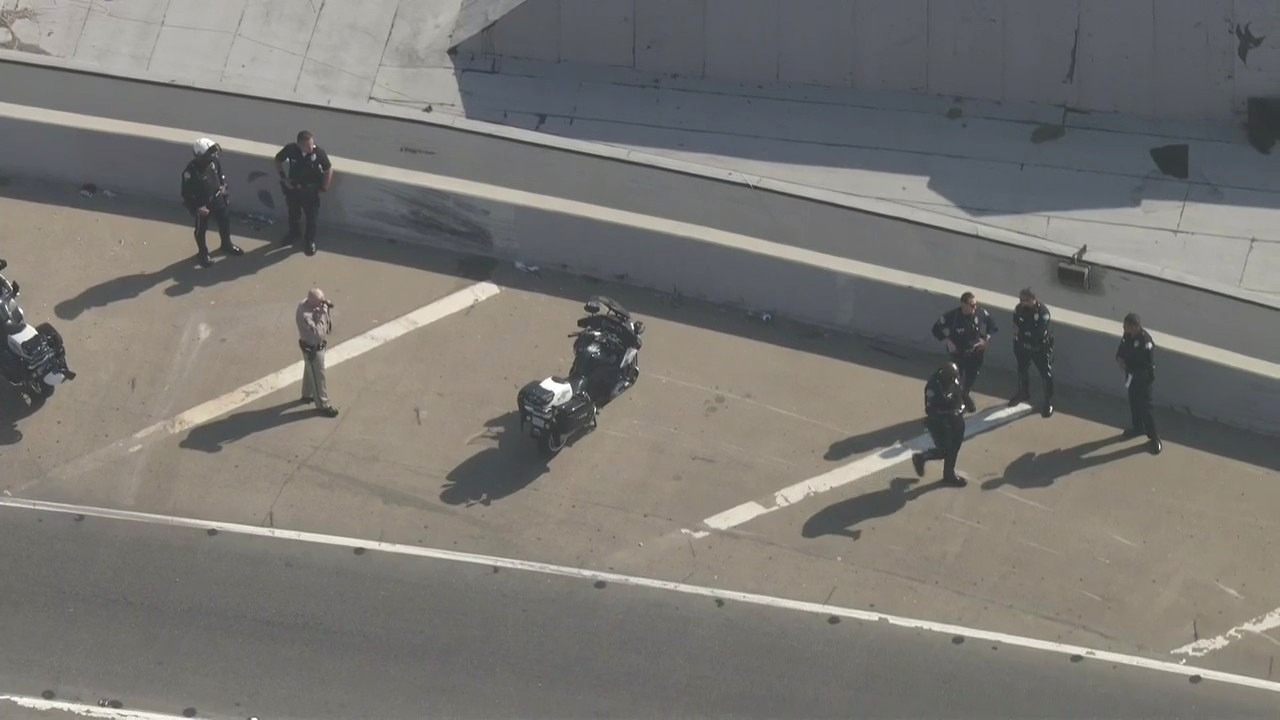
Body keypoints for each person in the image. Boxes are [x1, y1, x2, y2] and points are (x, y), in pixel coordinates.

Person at [180, 137, 243, 267]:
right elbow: (185, 194)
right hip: (202, 205)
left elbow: (220, 175)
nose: (212, 155)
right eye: (209, 153)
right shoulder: (190, 172)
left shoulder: (214, 161)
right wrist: (197, 208)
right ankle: (202, 253)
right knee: (201, 230)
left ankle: (226, 244)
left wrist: (224, 186)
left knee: (224, 221)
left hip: (218, 199)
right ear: (200, 156)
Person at [931, 291, 997, 413]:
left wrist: (986, 339)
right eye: (972, 305)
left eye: (975, 304)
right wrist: (948, 342)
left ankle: (964, 394)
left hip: (975, 354)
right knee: (955, 379)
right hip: (958, 354)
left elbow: (992, 324)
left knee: (970, 379)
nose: (974, 307)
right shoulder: (953, 317)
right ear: (963, 305)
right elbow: (936, 329)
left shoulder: (980, 313)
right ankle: (958, 402)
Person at [274, 130, 334, 256]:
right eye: (307, 146)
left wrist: (325, 187)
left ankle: (309, 240)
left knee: (311, 217)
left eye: (312, 144)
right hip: (294, 189)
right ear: (299, 145)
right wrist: (283, 178)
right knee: (293, 213)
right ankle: (294, 233)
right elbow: (278, 160)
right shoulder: (291, 150)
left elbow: (328, 168)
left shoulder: (318, 153)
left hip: (310, 191)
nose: (311, 147)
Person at [912, 362, 968, 486]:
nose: (954, 380)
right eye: (951, 378)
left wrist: (964, 406)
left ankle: (949, 474)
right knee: (944, 450)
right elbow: (930, 410)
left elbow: (961, 396)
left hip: (956, 419)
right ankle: (921, 458)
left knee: (954, 447)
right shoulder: (933, 386)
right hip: (938, 421)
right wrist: (949, 413)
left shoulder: (955, 382)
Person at [1115, 312, 1161, 454]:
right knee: (1133, 402)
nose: (1124, 328)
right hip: (1131, 378)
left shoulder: (1145, 341)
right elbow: (1121, 351)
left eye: (1126, 326)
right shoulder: (1127, 336)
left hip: (1143, 380)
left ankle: (1154, 438)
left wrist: (1129, 367)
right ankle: (1137, 428)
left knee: (1146, 408)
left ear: (1134, 327)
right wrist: (1120, 359)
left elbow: (1147, 365)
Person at [1007, 287, 1055, 417]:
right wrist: (1023, 334)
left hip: (1039, 348)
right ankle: (1023, 392)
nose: (1023, 303)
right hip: (1022, 346)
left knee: (1046, 375)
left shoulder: (1042, 312)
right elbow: (1015, 325)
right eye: (1021, 300)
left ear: (1033, 299)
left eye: (1026, 300)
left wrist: (1023, 332)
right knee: (1022, 370)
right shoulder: (1019, 309)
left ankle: (1048, 402)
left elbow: (1038, 333)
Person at [296, 288, 339, 417]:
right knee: (319, 376)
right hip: (312, 347)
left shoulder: (309, 303)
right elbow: (319, 333)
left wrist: (322, 308)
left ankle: (307, 394)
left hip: (315, 346)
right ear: (312, 302)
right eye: (320, 302)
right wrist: (322, 314)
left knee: (310, 370)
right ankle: (322, 404)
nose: (323, 304)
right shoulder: (305, 316)